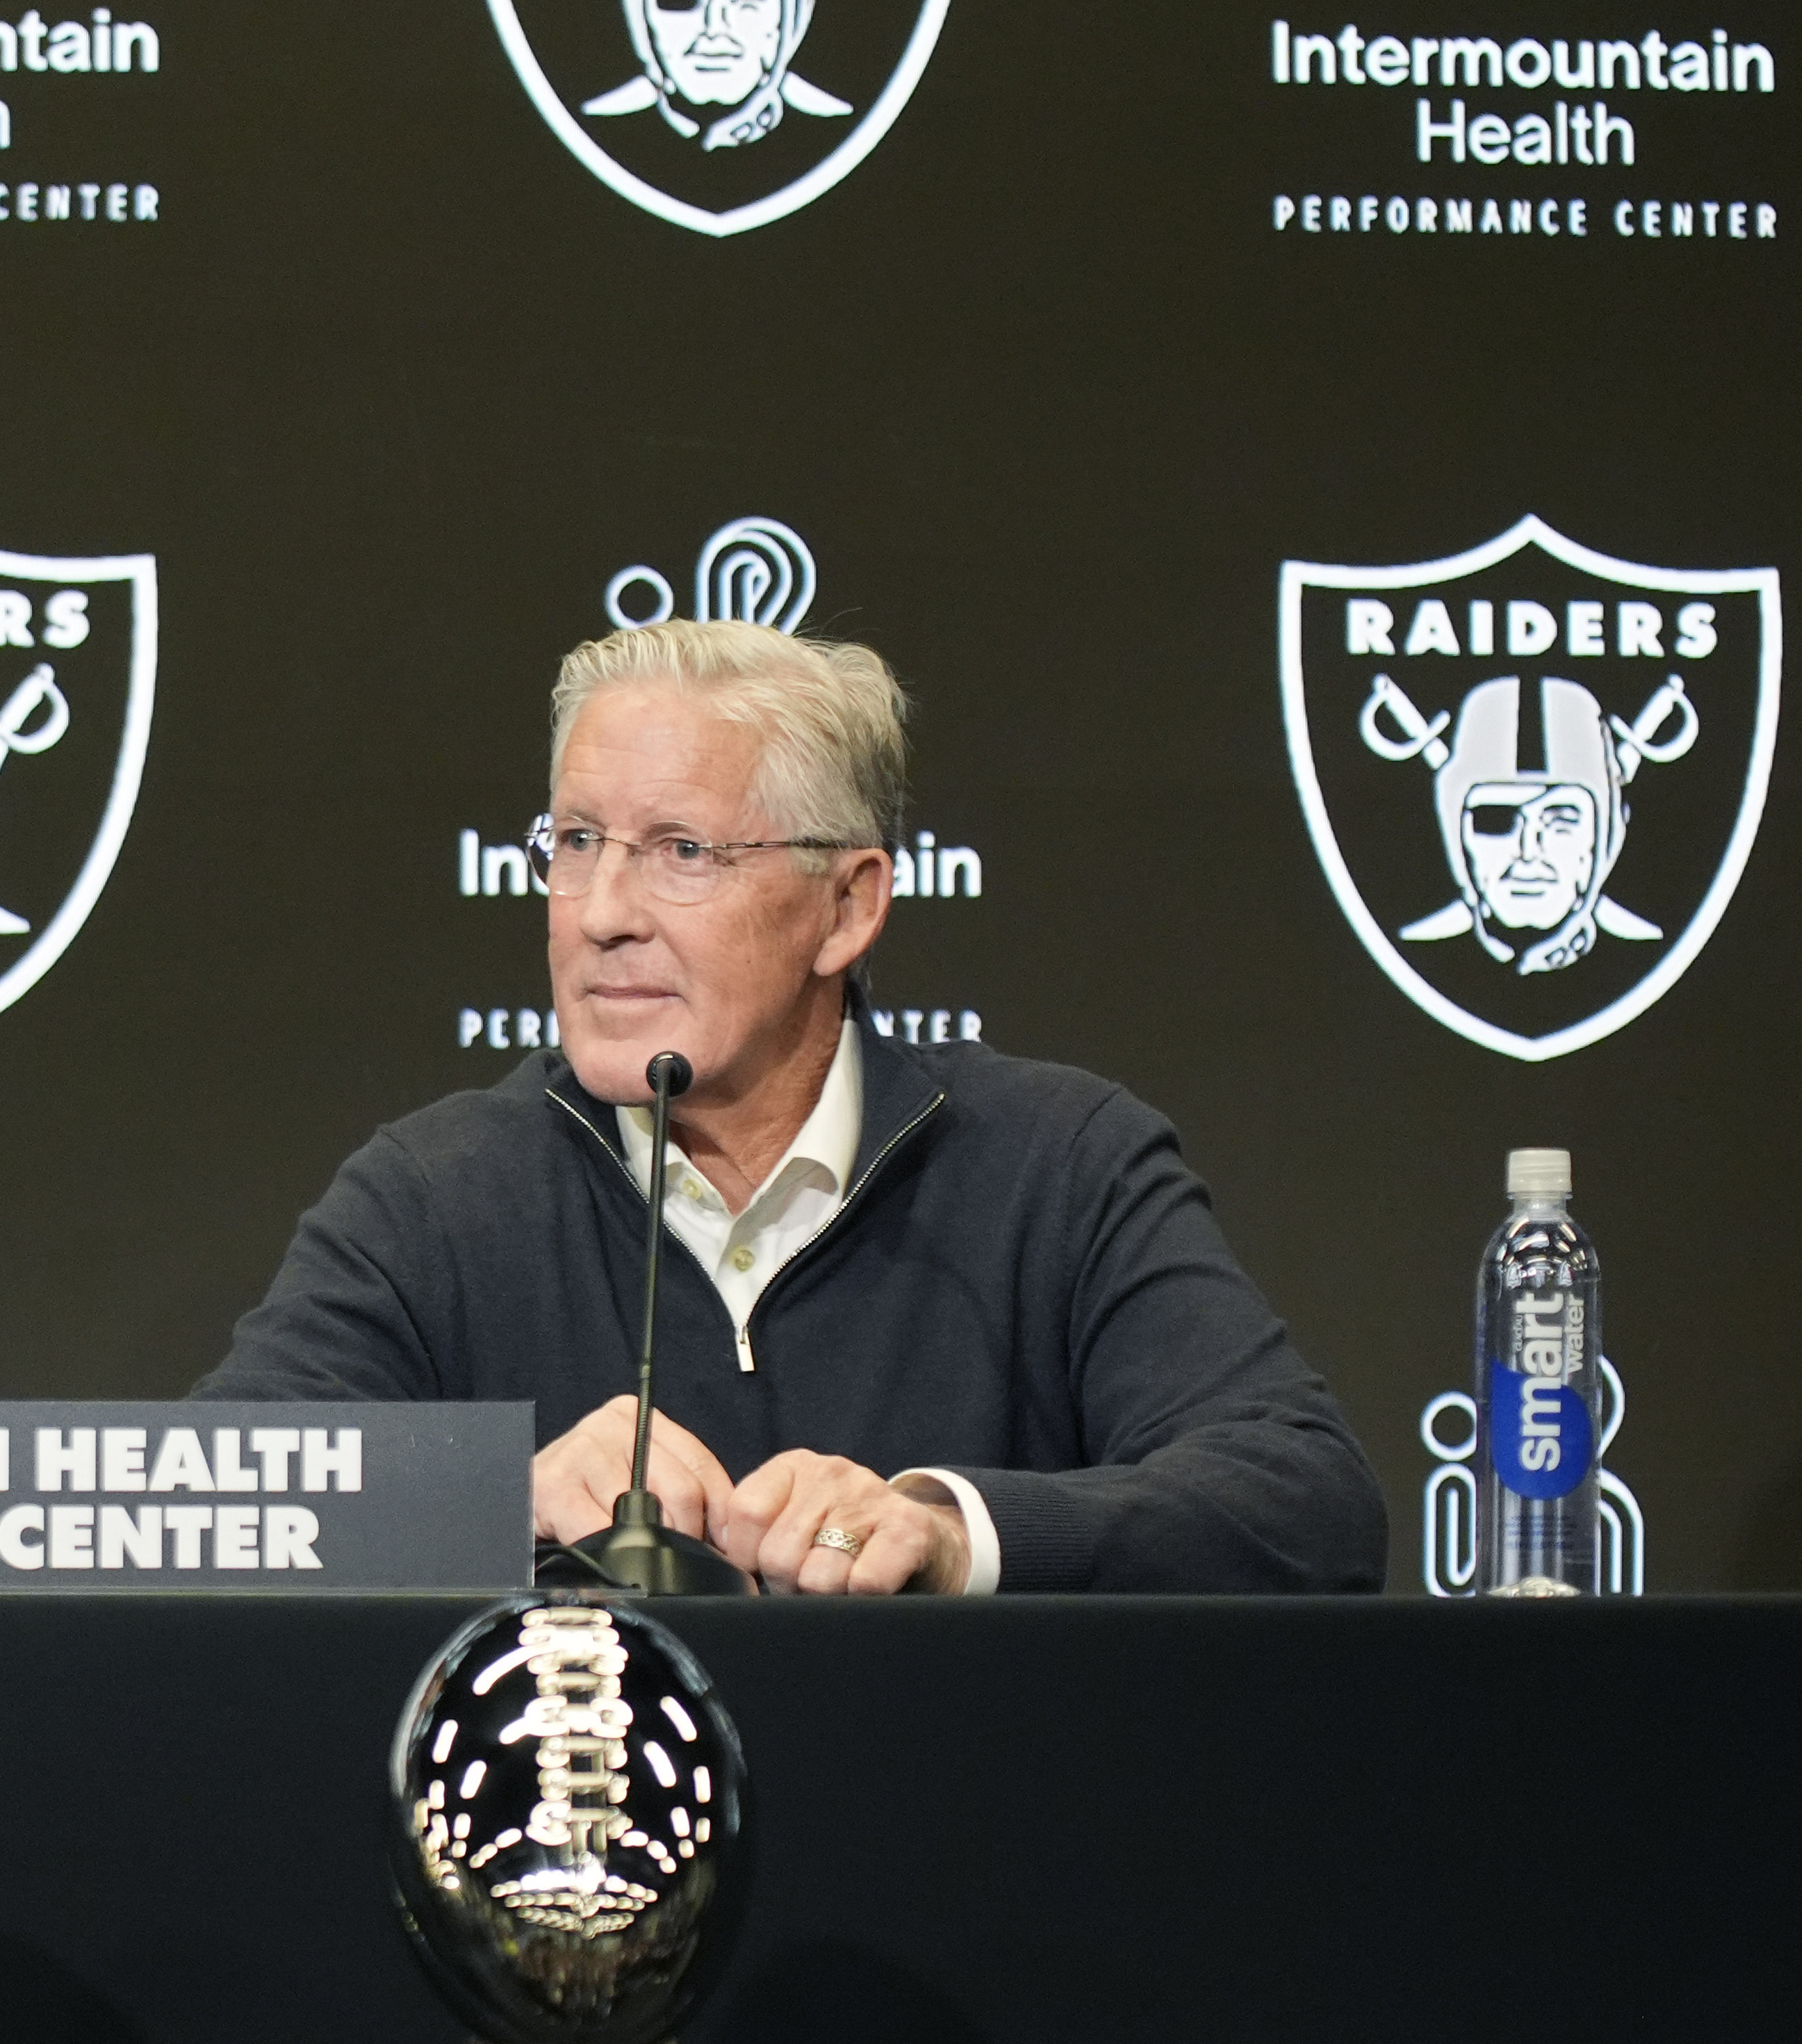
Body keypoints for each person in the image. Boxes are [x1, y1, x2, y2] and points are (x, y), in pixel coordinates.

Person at [197, 619, 1382, 1594]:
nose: (601, 908)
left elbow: (1303, 1502)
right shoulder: (436, 1196)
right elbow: (199, 1503)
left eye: (680, 852)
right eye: (575, 841)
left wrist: (949, 1525)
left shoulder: (1056, 1169)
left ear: (847, 907)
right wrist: (493, 1492)